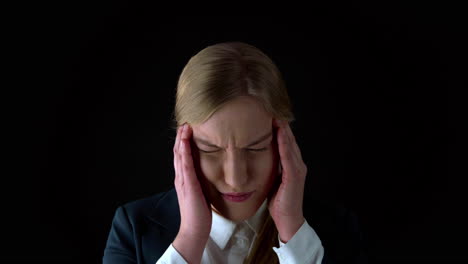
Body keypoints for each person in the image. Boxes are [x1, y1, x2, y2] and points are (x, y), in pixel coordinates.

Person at [102, 41, 367, 264]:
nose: (236, 179)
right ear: (183, 147)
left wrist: (294, 235)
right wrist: (190, 237)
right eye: (210, 149)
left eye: (256, 148)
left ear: (284, 142)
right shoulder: (133, 228)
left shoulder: (338, 229)